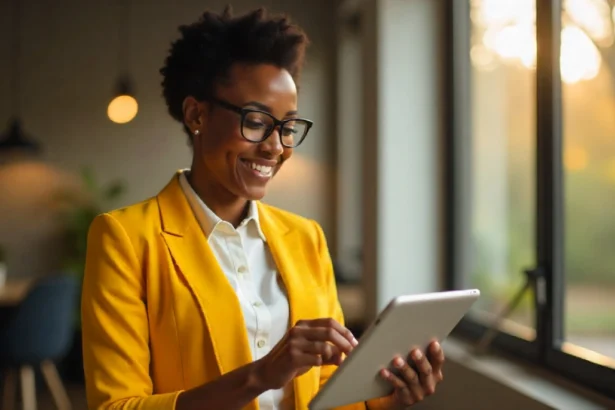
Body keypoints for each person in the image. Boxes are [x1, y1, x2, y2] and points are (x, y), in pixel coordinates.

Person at [81, 6, 445, 410]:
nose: (275, 146)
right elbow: (115, 406)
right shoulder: (126, 239)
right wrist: (261, 375)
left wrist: (391, 399)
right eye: (256, 121)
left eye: (288, 127)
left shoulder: (306, 238)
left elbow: (328, 389)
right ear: (196, 114)